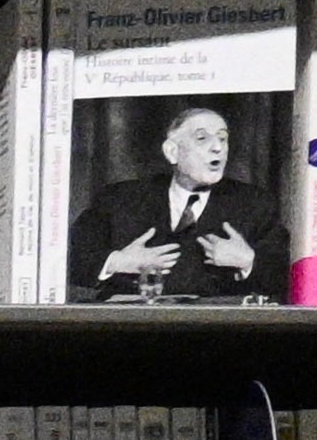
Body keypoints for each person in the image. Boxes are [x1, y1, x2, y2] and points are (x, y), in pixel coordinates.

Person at [72, 102, 280, 302]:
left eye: (223, 138)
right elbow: (69, 259)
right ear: (172, 152)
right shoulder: (118, 198)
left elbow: (283, 275)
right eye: (202, 138)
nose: (218, 147)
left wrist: (248, 261)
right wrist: (118, 262)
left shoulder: (255, 204)